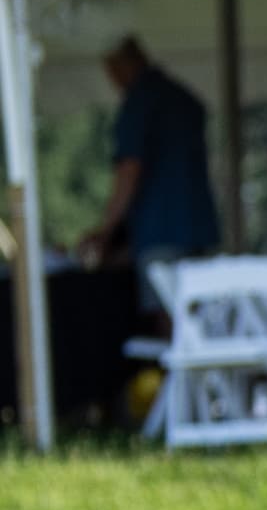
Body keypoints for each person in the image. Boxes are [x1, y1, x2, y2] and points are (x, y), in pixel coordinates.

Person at [77, 38, 221, 314]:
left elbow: (129, 171)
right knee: (201, 316)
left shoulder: (140, 102)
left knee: (169, 315)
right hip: (199, 227)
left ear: (122, 65)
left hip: (161, 231)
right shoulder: (182, 97)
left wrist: (105, 232)